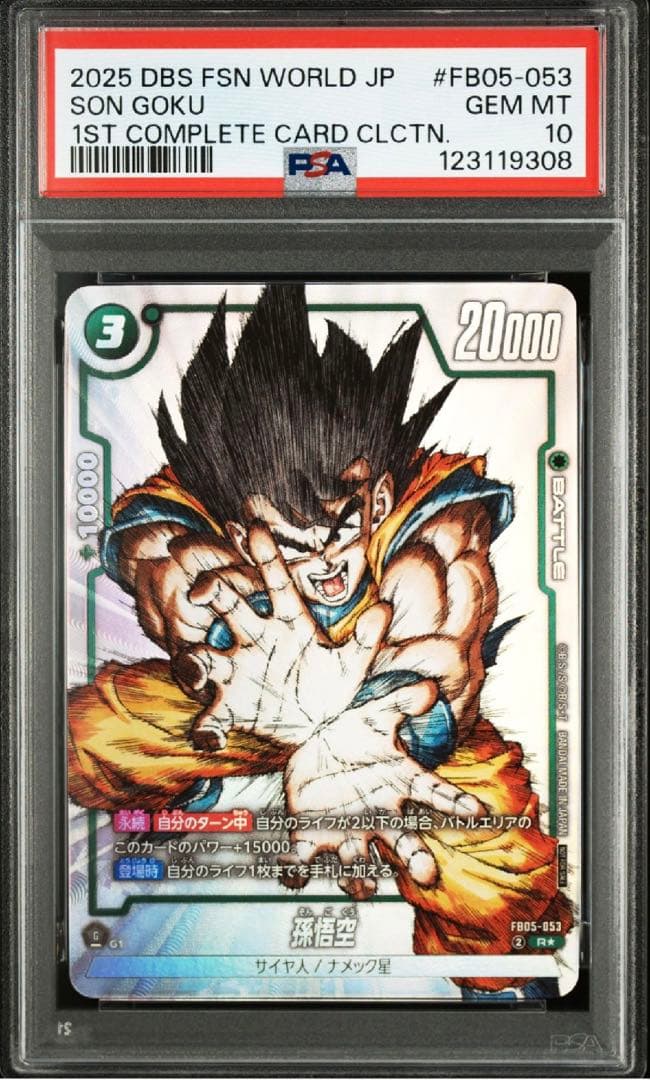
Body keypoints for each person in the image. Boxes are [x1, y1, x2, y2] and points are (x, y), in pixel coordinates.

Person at [68, 284, 571, 997]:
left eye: (341, 528)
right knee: (93, 733)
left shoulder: (429, 531)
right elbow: (160, 554)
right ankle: (186, 802)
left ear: (380, 499)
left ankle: (511, 992)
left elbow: (441, 633)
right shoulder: (209, 517)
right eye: (296, 543)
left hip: (394, 731)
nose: (327, 562)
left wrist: (390, 714)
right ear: (243, 530)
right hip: (246, 700)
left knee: (498, 865)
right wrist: (210, 613)